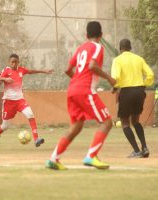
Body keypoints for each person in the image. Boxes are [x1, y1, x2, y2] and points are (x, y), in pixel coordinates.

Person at [46, 21, 116, 170]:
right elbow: (92, 66)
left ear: (86, 35)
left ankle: (53, 158)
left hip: (72, 91)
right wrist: (109, 79)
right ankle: (91, 156)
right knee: (107, 122)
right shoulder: (97, 47)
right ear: (101, 35)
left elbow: (67, 69)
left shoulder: (81, 48)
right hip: (85, 91)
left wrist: (77, 82)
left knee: (76, 127)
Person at [0, 53, 53, 148]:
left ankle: (36, 139)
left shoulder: (21, 70)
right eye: (12, 62)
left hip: (20, 100)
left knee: (30, 114)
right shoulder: (6, 70)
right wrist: (4, 79)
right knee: (5, 126)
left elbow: (31, 71)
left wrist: (44, 71)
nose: (14, 64)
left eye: (16, 62)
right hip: (8, 102)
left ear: (18, 62)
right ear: (9, 62)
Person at [111, 39, 154, 158]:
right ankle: (144, 148)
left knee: (125, 122)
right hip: (139, 91)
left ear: (120, 49)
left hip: (126, 91)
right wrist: (145, 84)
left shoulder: (117, 60)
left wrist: (115, 88)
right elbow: (150, 74)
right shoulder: (139, 59)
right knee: (135, 121)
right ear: (130, 48)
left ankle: (136, 150)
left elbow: (116, 77)